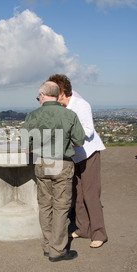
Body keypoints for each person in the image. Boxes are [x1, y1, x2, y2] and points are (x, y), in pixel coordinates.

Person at [22, 81, 85, 262]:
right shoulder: (69, 115)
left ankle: (48, 246)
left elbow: (26, 146)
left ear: (42, 95)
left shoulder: (32, 116)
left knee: (45, 206)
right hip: (62, 163)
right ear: (58, 95)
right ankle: (58, 249)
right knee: (61, 207)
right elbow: (79, 141)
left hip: (42, 163)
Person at [48, 74, 108, 249]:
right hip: (74, 155)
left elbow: (88, 131)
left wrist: (67, 138)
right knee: (77, 193)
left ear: (62, 92)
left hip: (89, 153)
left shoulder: (81, 105)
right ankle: (83, 228)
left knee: (91, 194)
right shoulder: (60, 108)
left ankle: (99, 233)